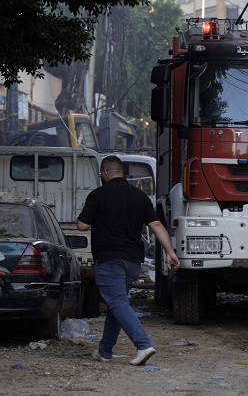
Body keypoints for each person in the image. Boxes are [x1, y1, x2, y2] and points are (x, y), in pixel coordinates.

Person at [77, 155, 180, 366]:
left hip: (110, 260)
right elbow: (157, 225)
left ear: (105, 172)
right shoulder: (140, 196)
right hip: (133, 261)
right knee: (117, 304)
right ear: (121, 172)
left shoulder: (98, 195)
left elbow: (82, 225)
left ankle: (143, 345)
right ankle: (104, 351)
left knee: (116, 302)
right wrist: (170, 252)